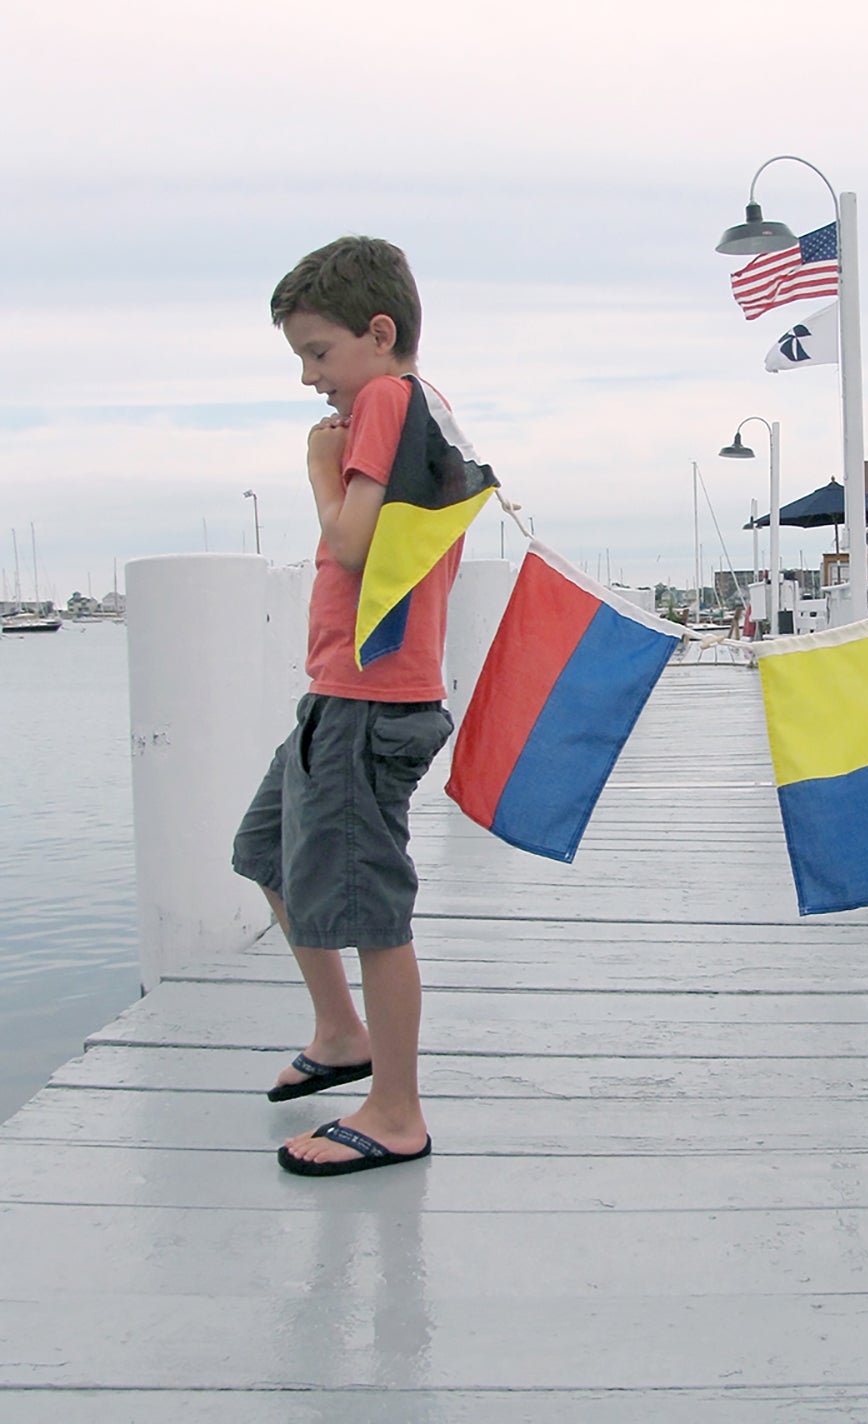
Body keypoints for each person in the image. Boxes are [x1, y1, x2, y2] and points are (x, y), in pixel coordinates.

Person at [232, 236, 489, 1176]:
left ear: (378, 334)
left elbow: (349, 544)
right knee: (264, 850)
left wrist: (317, 468)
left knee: (373, 909)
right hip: (345, 694)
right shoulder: (429, 406)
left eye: (317, 352)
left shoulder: (385, 400)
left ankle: (395, 1113)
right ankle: (342, 1034)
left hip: (368, 702)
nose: (310, 380)